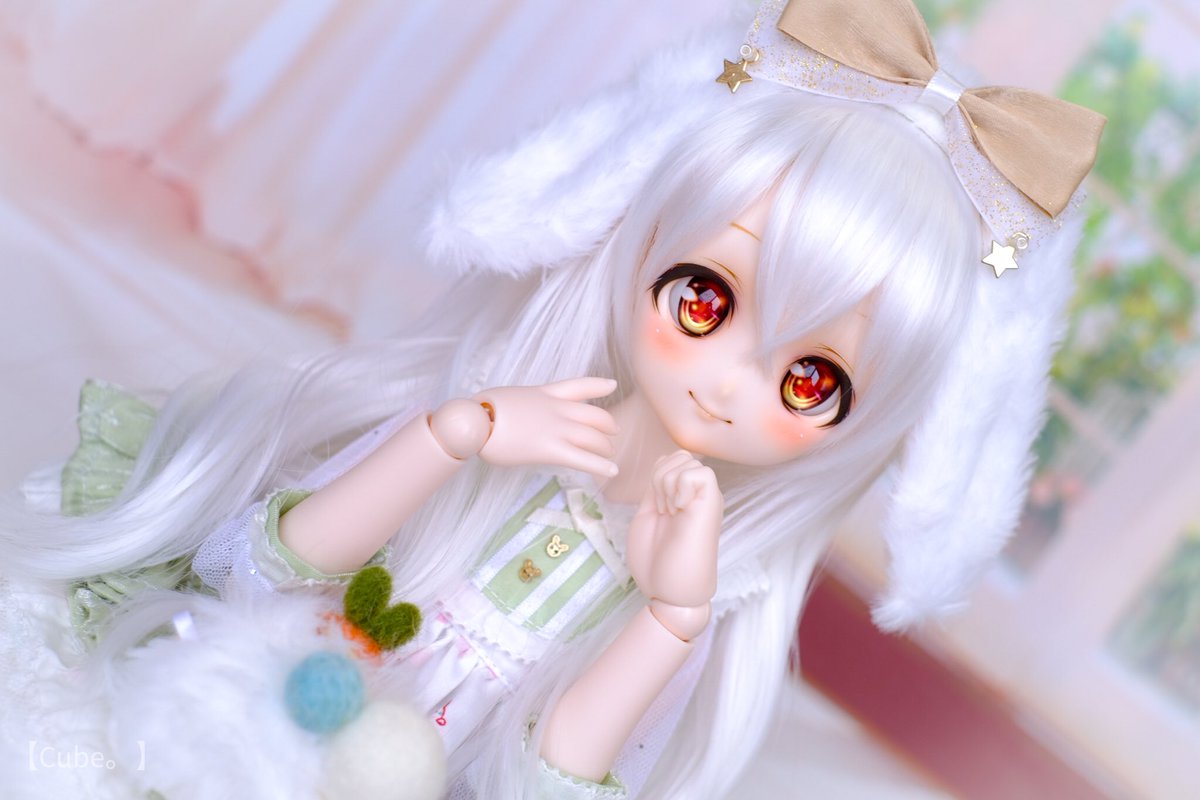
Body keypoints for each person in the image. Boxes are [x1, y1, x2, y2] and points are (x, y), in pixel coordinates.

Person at [0, 1, 1104, 798]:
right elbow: (267, 562)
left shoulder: (700, 568)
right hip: (264, 682)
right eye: (706, 298)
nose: (726, 383)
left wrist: (672, 616)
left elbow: (552, 774)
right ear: (633, 235)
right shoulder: (505, 418)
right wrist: (460, 432)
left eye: (810, 381)